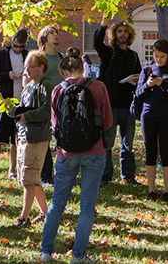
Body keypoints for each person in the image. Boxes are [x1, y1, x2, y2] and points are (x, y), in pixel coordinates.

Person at [40, 47, 113, 264]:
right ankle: (78, 255)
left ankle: (46, 251)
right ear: (83, 69)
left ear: (63, 73)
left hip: (66, 152)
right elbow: (107, 121)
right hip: (94, 151)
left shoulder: (57, 90)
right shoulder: (98, 86)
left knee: (57, 203)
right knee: (87, 205)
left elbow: (54, 125)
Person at [94, 18, 141, 186]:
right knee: (107, 143)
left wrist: (137, 81)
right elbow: (97, 44)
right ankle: (105, 177)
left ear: (129, 35)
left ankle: (128, 176)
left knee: (128, 144)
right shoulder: (109, 53)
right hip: (110, 104)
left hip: (128, 105)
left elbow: (139, 77)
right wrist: (103, 24)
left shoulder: (134, 56)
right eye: (119, 31)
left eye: (125, 31)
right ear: (114, 34)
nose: (122, 34)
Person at [135, 39, 168, 203]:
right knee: (150, 152)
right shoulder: (147, 70)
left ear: (167, 55)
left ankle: (167, 191)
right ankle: (151, 190)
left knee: (165, 152)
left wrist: (163, 84)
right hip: (148, 115)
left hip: (166, 114)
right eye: (156, 56)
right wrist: (148, 85)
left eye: (162, 56)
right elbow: (138, 94)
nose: (159, 59)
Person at [10, 50, 53, 227]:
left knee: (29, 177)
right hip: (23, 135)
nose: (26, 70)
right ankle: (45, 214)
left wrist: (28, 117)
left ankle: (24, 217)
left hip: (37, 137)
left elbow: (47, 109)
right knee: (31, 178)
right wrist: (12, 109)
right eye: (25, 67)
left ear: (41, 67)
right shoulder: (29, 86)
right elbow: (24, 107)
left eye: (30, 67)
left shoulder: (46, 85)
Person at [0, 29, 28, 179]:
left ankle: (12, 170)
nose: (18, 49)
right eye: (16, 46)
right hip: (5, 101)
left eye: (21, 47)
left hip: (21, 101)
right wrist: (7, 75)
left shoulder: (27, 56)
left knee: (16, 138)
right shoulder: (0, 55)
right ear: (11, 42)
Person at [38, 25, 64, 186]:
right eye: (52, 33)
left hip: (62, 105)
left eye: (56, 32)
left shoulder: (61, 57)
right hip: (45, 105)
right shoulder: (40, 57)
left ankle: (61, 174)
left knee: (61, 139)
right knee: (45, 141)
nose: (56, 35)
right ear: (44, 38)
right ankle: (45, 176)